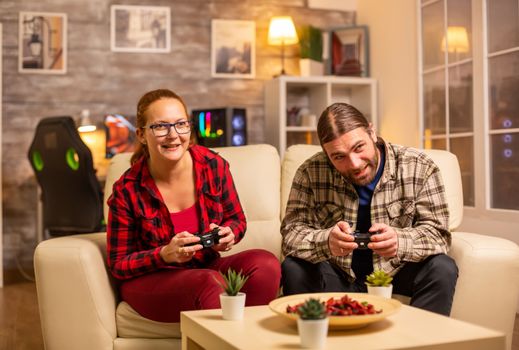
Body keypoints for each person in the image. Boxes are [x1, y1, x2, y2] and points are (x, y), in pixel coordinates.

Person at [106, 88, 280, 323]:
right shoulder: (127, 189)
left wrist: (229, 234)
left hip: (206, 267)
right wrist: (164, 254)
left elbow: (236, 220)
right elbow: (119, 264)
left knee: (265, 264)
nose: (173, 135)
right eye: (160, 126)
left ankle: (251, 341)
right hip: (153, 279)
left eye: (181, 124)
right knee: (210, 284)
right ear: (141, 134)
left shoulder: (213, 166)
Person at [281, 102, 458, 316]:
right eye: (339, 157)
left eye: (359, 148)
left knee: (443, 267)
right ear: (327, 155)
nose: (354, 164)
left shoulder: (419, 167)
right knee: (293, 266)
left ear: (372, 133)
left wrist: (400, 242)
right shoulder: (310, 172)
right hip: (338, 274)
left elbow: (439, 235)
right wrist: (326, 241)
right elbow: (291, 235)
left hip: (396, 273)